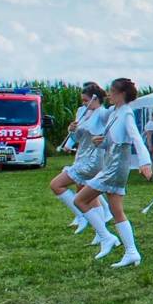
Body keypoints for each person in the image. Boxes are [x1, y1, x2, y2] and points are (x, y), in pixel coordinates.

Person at [73, 78, 153, 267]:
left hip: (116, 166)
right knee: (117, 210)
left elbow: (135, 139)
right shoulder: (115, 113)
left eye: (112, 91)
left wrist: (145, 162)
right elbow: (115, 140)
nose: (108, 94)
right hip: (111, 162)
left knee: (80, 199)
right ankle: (131, 251)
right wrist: (102, 142)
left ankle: (107, 237)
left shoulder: (126, 114)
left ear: (122, 94)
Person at [48, 82, 113, 236]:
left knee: (56, 185)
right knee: (88, 195)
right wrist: (71, 130)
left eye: (86, 100)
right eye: (83, 100)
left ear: (95, 99)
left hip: (93, 160)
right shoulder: (82, 112)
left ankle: (82, 216)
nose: (84, 103)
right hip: (81, 157)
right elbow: (78, 137)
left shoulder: (102, 114)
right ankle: (102, 233)